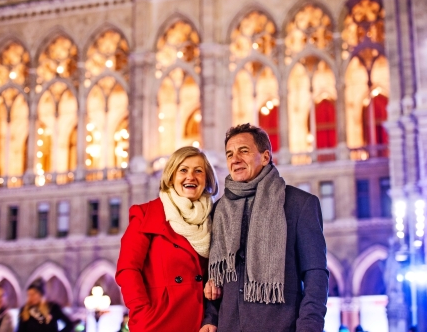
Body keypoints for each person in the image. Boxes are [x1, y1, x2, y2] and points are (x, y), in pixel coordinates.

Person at [201, 123, 328, 332]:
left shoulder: (300, 204)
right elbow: (215, 278)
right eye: (230, 154)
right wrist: (210, 318)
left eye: (244, 151)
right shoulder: (219, 210)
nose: (235, 159)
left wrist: (309, 327)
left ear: (266, 157)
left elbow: (316, 274)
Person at [116, 146, 219, 331]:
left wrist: (210, 316)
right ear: (171, 177)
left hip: (199, 324)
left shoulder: (214, 218)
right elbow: (127, 269)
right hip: (158, 322)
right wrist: (143, 313)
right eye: (183, 170)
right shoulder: (146, 214)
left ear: (207, 179)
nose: (191, 177)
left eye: (198, 171)